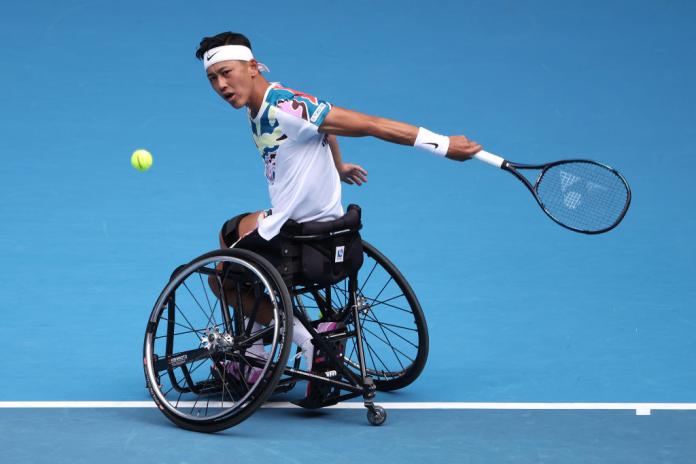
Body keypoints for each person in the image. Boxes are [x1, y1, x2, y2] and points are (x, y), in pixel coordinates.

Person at [197, 31, 482, 375]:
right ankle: (256, 352)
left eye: (227, 72)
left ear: (253, 66)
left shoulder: (285, 106)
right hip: (323, 225)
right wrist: (339, 166)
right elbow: (325, 130)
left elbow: (372, 124)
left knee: (219, 280)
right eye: (213, 78)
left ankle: (305, 338)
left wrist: (443, 144)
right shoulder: (263, 107)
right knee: (230, 231)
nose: (221, 85)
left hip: (297, 232)